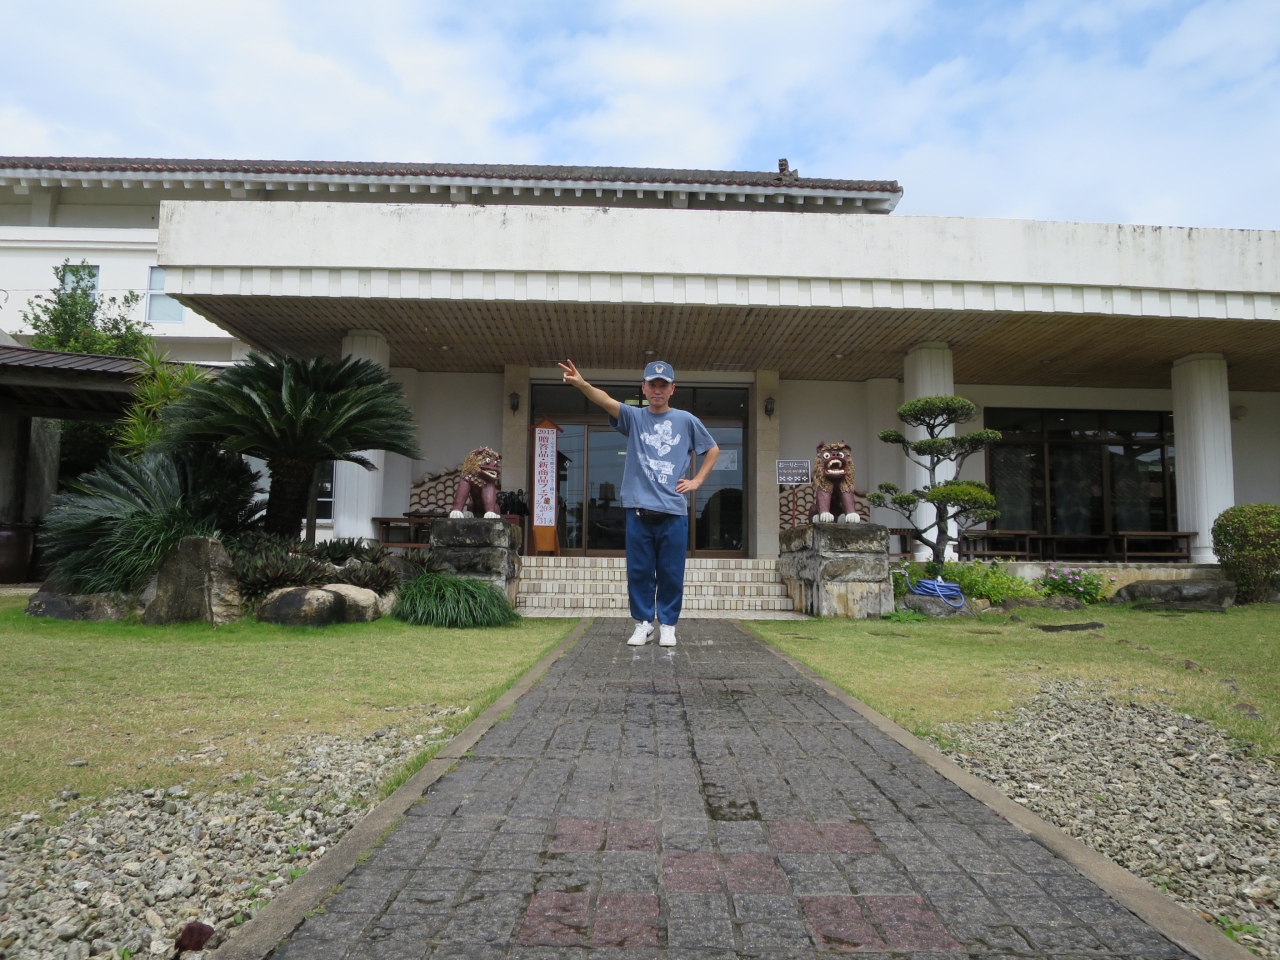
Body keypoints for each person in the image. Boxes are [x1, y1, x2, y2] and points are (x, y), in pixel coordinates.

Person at [558, 359, 718, 646]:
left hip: (673, 512)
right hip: (638, 511)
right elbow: (606, 400)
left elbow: (713, 449)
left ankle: (667, 624)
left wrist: (697, 481)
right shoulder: (634, 417)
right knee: (639, 571)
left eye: (663, 385)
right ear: (643, 388)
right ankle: (644, 623)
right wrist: (581, 384)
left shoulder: (686, 420)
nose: (657, 390)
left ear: (672, 389)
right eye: (652, 385)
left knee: (671, 572)